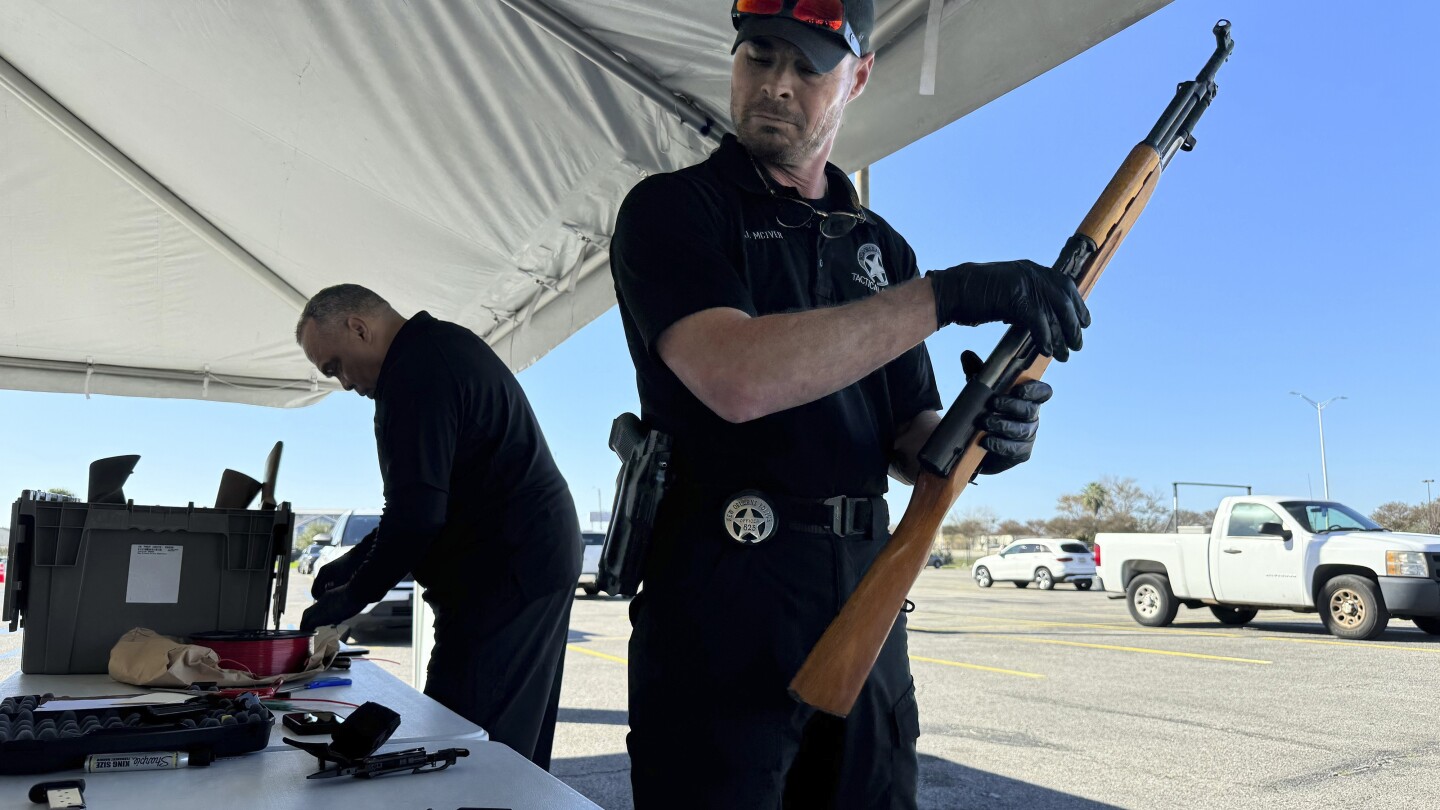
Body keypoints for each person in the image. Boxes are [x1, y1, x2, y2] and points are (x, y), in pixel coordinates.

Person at [609, 0, 1090, 806]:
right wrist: (948, 295)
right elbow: (737, 378)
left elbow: (911, 436)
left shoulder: (882, 248)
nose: (777, 86)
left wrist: (986, 436)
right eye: (758, 57)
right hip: (721, 600)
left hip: (864, 599)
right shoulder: (673, 210)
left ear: (858, 76)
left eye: (807, 67)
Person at [294, 284, 581, 770]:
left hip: (507, 570)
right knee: (505, 737)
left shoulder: (416, 370)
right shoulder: (435, 349)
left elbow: (416, 516)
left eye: (335, 366)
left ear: (359, 329)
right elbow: (422, 501)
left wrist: (351, 598)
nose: (342, 383)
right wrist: (354, 560)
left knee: (466, 742)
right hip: (524, 559)